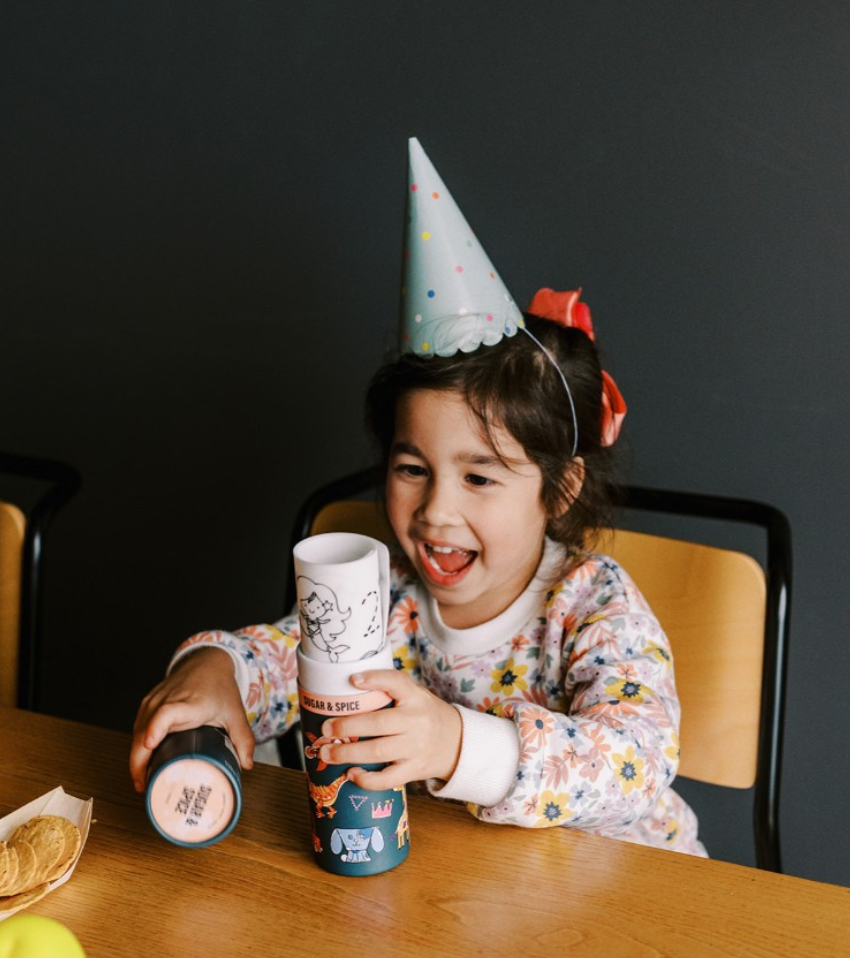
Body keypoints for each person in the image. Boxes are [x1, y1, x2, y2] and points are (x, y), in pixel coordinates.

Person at [130, 138, 705, 857]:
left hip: (630, 897)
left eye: (480, 477)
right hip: (466, 901)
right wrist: (211, 673)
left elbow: (638, 760)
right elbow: (278, 662)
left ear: (558, 489)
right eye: (411, 468)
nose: (435, 512)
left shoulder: (590, 606)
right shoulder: (387, 600)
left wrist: (456, 743)